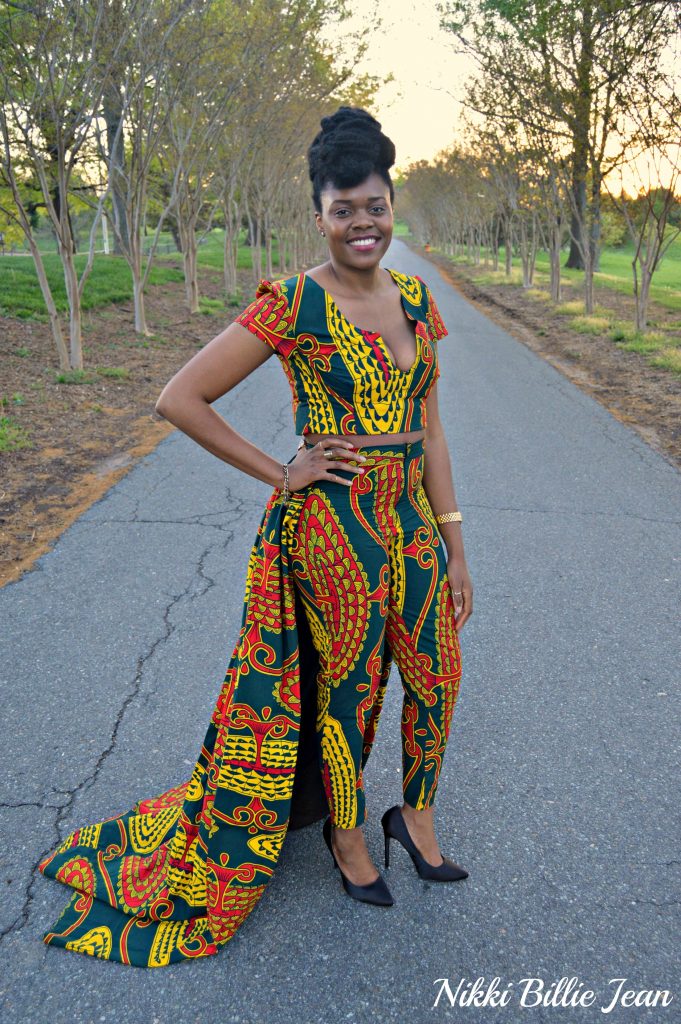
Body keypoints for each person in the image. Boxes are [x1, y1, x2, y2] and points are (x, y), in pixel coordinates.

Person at [38, 106, 474, 968]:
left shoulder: (416, 300)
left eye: (375, 206)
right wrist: (283, 472)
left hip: (411, 523)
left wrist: (455, 542)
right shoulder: (294, 302)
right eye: (344, 210)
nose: (362, 224)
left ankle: (415, 817)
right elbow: (178, 398)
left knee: (437, 673)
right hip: (333, 528)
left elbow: (430, 431)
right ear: (319, 216)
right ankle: (346, 835)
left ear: (392, 206)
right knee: (349, 692)